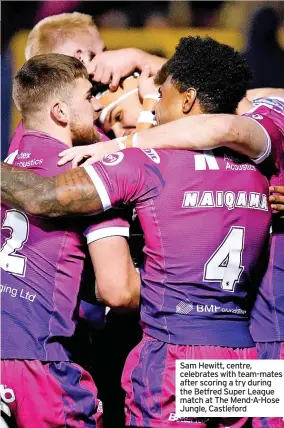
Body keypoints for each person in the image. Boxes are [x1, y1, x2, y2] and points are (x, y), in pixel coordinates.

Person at [1, 36, 273, 428]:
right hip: (244, 356)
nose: (152, 106)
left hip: (174, 353)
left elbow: (45, 196)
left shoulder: (143, 163)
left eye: (160, 94)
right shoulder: (265, 169)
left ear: (187, 99)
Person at [1, 53, 140, 428]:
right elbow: (119, 290)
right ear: (61, 111)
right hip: (37, 365)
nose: (96, 106)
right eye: (89, 97)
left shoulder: (8, 163)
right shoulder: (86, 177)